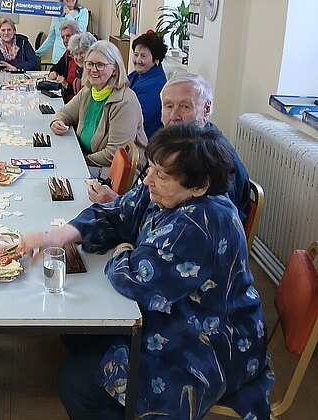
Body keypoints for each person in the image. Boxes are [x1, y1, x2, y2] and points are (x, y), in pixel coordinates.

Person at [22, 123, 274, 420]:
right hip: (176, 317)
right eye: (151, 168)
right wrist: (55, 237)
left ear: (200, 185)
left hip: (209, 344)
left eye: (162, 175)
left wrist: (123, 251)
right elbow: (119, 212)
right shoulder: (166, 191)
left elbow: (138, 281)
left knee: (76, 383)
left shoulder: (202, 222)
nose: (148, 179)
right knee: (78, 330)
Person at [88, 72, 250, 224]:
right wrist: (120, 204)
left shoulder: (213, 159)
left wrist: (117, 206)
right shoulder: (174, 146)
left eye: (185, 106)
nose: (174, 116)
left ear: (206, 109)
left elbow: (195, 222)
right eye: (168, 106)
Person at [50, 40, 147, 178]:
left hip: (111, 171)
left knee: (58, 172)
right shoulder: (89, 91)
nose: (93, 69)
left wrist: (79, 159)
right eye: (89, 64)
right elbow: (65, 113)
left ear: (115, 69)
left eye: (100, 65)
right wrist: (57, 122)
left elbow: (114, 153)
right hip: (88, 160)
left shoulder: (125, 102)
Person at [128, 30, 168, 139]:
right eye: (136, 55)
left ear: (156, 59)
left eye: (143, 56)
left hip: (142, 138)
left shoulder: (154, 85)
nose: (138, 60)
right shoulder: (139, 74)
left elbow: (135, 117)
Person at [36, 0, 89, 65]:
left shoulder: (83, 12)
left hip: (75, 56)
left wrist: (68, 15)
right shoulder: (56, 12)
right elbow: (51, 37)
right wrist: (37, 53)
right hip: (58, 56)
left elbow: (80, 31)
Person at [46, 20, 82, 102]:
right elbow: (56, 67)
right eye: (63, 37)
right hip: (66, 99)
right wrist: (53, 72)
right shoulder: (68, 53)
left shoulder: (82, 58)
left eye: (68, 36)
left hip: (77, 102)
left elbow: (81, 90)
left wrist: (66, 84)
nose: (65, 40)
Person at [59, 31, 96, 102]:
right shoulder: (79, 70)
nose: (78, 58)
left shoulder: (93, 73)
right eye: (76, 54)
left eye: (82, 53)